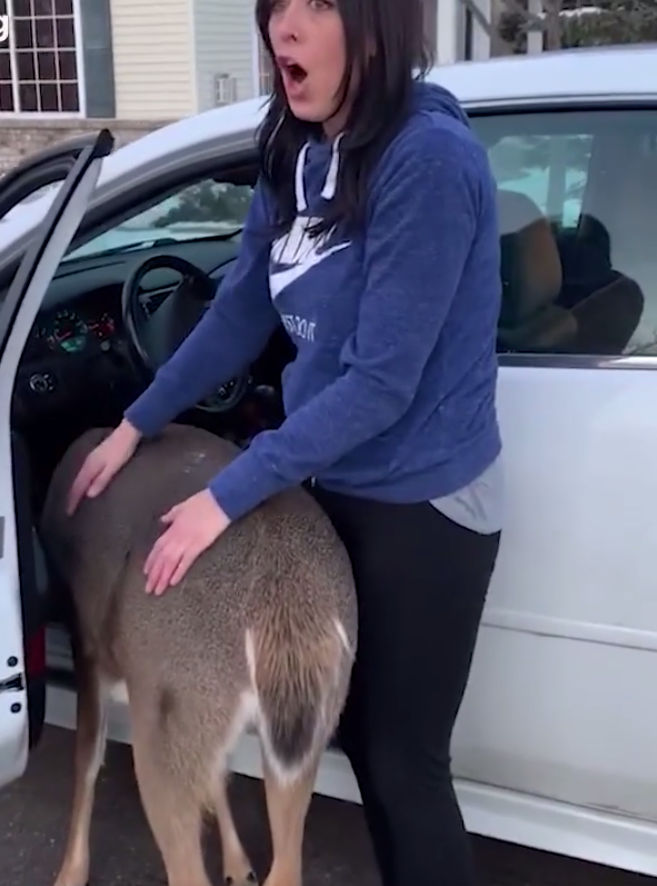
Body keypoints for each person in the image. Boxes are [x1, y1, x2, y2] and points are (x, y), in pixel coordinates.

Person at [66, 0, 504, 881]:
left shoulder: (427, 161)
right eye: (275, 9)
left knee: (402, 764)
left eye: (315, 8)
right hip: (331, 476)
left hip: (425, 500)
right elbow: (242, 309)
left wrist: (225, 496)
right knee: (354, 753)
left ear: (376, 28)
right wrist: (135, 423)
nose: (282, 30)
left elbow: (382, 382)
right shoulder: (294, 143)